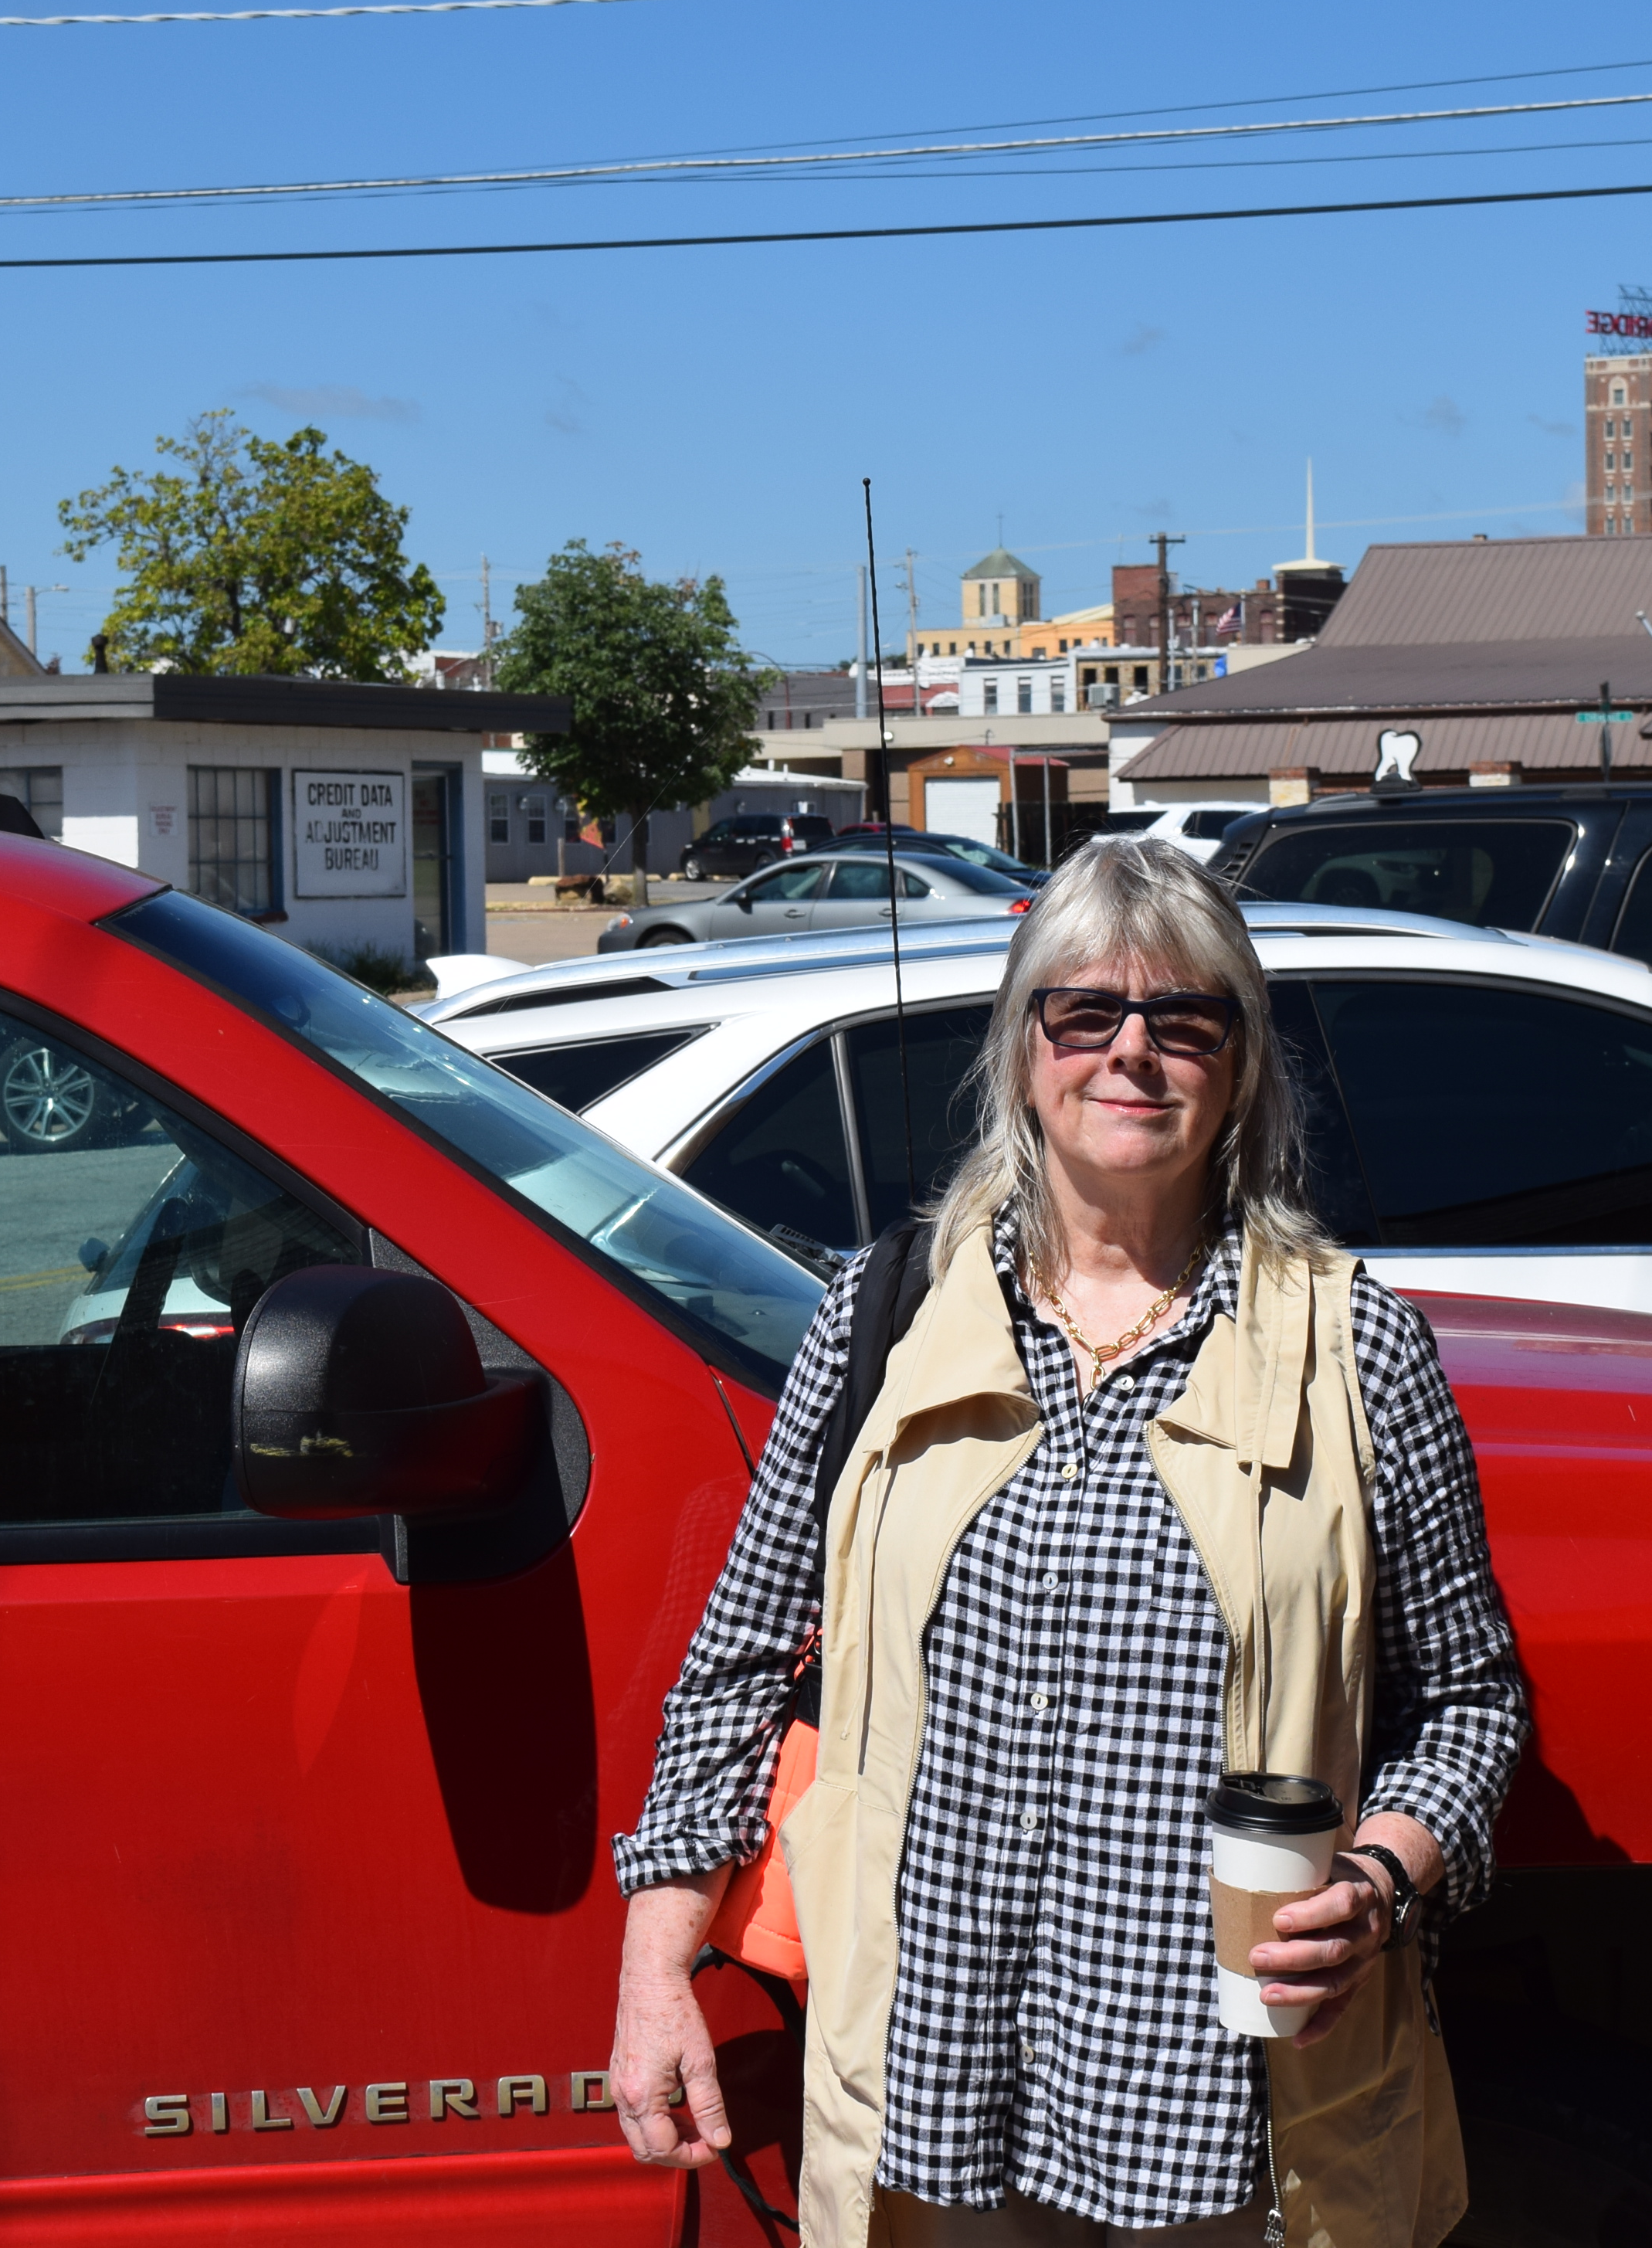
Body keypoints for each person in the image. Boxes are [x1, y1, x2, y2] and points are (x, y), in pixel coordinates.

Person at [608, 837, 1530, 2248]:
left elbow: (1471, 1701)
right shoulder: (883, 1315)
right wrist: (658, 1967)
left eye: (1186, 1019)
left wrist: (1378, 1879)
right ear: (1025, 1048)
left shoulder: (1358, 1349)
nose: (1133, 1054)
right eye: (1086, 1013)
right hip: (933, 2091)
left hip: (1225, 2103)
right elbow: (737, 1663)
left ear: (1242, 1064)